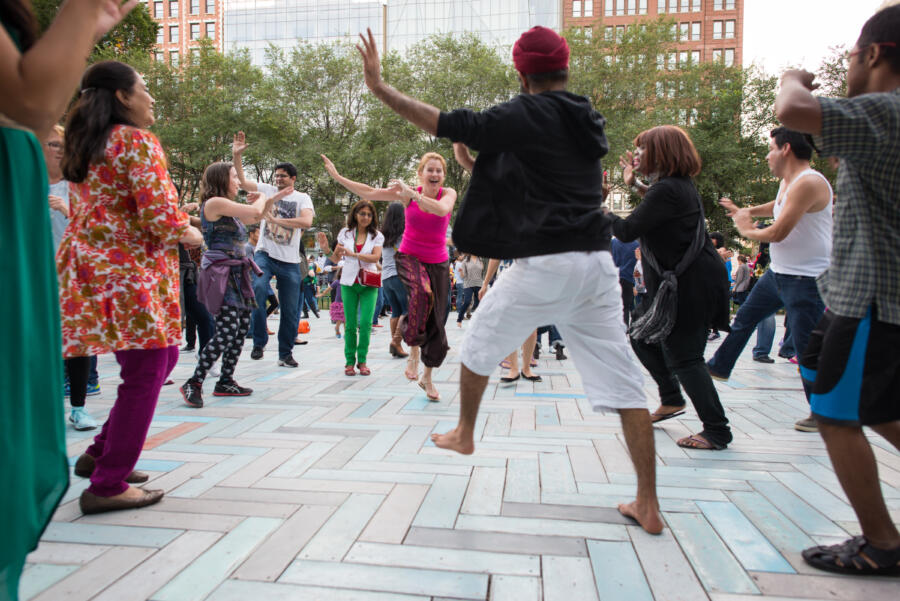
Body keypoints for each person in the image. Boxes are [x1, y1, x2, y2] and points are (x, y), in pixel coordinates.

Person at [355, 25, 662, 533]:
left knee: (477, 343)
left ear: (521, 74)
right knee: (626, 381)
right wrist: (474, 163)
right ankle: (648, 504)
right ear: (564, 69)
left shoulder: (524, 111)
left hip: (548, 262)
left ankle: (465, 431)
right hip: (596, 264)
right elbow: (539, 179)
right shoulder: (584, 117)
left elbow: (443, 120)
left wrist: (379, 87)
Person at [1, 1, 137, 595]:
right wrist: (84, 10)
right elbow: (29, 103)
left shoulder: (84, 154)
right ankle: (108, 472)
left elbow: (31, 116)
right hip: (115, 275)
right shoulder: (136, 147)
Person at [775, 4, 900, 576]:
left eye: (851, 54)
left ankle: (883, 545)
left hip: (873, 298)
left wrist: (795, 78)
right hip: (862, 295)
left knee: (835, 414)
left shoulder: (884, 111)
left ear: (874, 54)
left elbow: (794, 110)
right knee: (873, 407)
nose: (848, 64)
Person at [57, 60, 202, 515]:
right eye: (145, 88)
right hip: (128, 273)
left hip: (92, 271)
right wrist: (191, 231)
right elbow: (159, 220)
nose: (152, 98)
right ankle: (108, 483)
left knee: (162, 359)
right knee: (149, 366)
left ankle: (102, 452)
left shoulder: (86, 144)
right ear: (122, 96)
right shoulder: (137, 141)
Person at [613, 126, 733, 450]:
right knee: (640, 333)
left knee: (686, 357)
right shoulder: (672, 187)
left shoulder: (667, 190)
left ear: (660, 153)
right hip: (683, 283)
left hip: (691, 285)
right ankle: (670, 399)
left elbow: (625, 230)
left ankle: (717, 430)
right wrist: (634, 183)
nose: (636, 156)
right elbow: (654, 205)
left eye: (641, 150)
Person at [707, 127, 833, 432]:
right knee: (743, 319)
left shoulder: (809, 183)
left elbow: (778, 231)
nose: (767, 155)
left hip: (806, 279)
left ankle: (823, 411)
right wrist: (746, 210)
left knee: (807, 348)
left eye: (770, 148)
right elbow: (775, 208)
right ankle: (719, 367)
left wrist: (746, 229)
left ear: (786, 149)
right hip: (779, 273)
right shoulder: (787, 182)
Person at [321, 152, 456, 400]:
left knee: (438, 320)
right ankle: (413, 354)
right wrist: (338, 177)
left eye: (439, 171)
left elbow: (440, 210)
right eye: (430, 170)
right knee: (421, 294)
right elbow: (370, 193)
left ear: (443, 175)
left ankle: (427, 376)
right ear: (421, 173)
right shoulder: (406, 194)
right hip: (410, 258)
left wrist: (413, 195)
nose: (435, 174)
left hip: (438, 262)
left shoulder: (447, 194)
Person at [180, 163, 286, 408]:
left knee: (240, 328)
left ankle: (225, 380)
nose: (238, 182)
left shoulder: (224, 209)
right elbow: (253, 209)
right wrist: (262, 196)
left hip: (236, 273)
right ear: (220, 179)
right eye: (234, 177)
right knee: (228, 329)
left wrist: (269, 200)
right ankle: (194, 381)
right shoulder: (216, 202)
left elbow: (256, 216)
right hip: (221, 273)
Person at [232, 131, 314, 367]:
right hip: (264, 254)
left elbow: (306, 222)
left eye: (284, 177)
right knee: (257, 288)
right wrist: (237, 156)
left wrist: (277, 221)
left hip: (290, 261)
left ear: (293, 179)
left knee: (290, 310)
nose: (278, 180)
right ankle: (258, 341)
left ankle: (285, 353)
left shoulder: (302, 198)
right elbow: (242, 181)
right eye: (276, 176)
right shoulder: (267, 190)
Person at [43, 124, 102, 430]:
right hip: (38, 277)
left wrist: (68, 211)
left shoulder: (78, 186)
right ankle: (43, 406)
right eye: (53, 144)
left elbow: (96, 230)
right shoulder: (27, 184)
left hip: (74, 276)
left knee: (78, 343)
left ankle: (78, 409)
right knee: (41, 344)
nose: (60, 150)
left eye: (64, 145)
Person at [316, 201, 384, 375]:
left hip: (369, 283)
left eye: (369, 214)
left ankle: (362, 361)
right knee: (351, 324)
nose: (366, 217)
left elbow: (375, 257)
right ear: (355, 214)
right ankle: (349, 362)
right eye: (362, 213)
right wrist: (325, 249)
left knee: (366, 323)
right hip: (348, 282)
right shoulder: (345, 234)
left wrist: (354, 255)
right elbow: (335, 259)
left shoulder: (377, 235)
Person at [380, 201, 410, 358]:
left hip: (386, 278)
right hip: (399, 277)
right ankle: (396, 341)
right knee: (408, 309)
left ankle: (395, 344)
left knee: (396, 311)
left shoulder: (383, 235)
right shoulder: (404, 234)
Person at [611, 237, 640, 326]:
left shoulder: (613, 242)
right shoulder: (636, 245)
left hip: (614, 278)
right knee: (626, 308)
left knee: (614, 308)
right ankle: (626, 331)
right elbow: (638, 265)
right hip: (629, 279)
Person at [455, 253, 483, 327]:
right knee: (467, 301)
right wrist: (461, 272)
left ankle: (479, 321)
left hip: (478, 283)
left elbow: (481, 272)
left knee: (478, 303)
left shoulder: (480, 260)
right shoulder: (465, 261)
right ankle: (459, 319)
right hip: (468, 283)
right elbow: (462, 276)